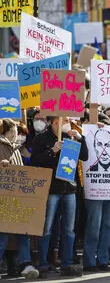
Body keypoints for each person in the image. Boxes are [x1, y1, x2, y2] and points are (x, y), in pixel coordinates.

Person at [31, 117, 88, 277]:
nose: (68, 122)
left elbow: (85, 156)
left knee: (69, 230)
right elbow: (35, 160)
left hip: (69, 189)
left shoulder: (71, 136)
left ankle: (67, 264)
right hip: (51, 190)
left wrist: (80, 138)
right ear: (56, 122)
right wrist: (53, 151)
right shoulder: (41, 138)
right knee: (47, 228)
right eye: (65, 120)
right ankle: (43, 264)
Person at [0, 119, 40, 279]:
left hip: (17, 198)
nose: (18, 134)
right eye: (15, 131)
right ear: (8, 132)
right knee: (2, 235)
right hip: (3, 198)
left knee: (22, 233)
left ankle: (26, 264)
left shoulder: (16, 149)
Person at [82, 121, 110, 273]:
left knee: (108, 225)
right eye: (99, 144)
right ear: (95, 147)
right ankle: (90, 260)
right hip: (94, 190)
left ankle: (103, 259)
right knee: (94, 225)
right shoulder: (90, 167)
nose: (104, 150)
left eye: (107, 145)